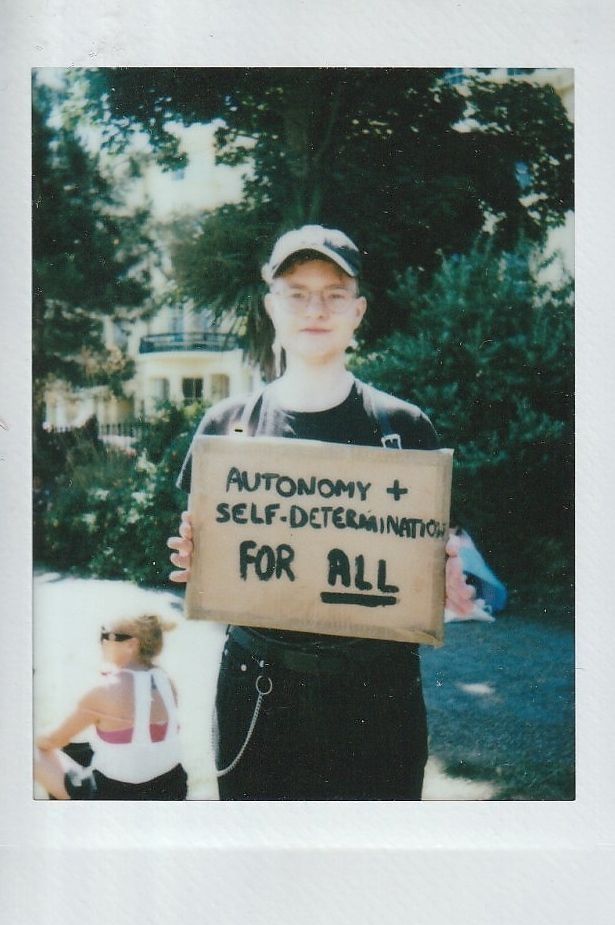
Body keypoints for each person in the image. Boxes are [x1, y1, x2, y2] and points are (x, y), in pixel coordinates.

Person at [168, 224, 475, 801]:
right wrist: (194, 555)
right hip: (258, 691)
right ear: (271, 307)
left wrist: (443, 571)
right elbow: (206, 548)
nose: (316, 309)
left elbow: (425, 546)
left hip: (378, 695)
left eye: (334, 294)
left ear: (358, 311)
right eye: (297, 294)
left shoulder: (403, 427)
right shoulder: (227, 427)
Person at [35, 614, 188, 800]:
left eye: (106, 636)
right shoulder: (166, 681)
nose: (102, 642)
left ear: (131, 644)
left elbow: (53, 740)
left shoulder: (103, 690)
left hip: (114, 795)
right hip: (171, 787)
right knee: (80, 749)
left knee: (34, 751)